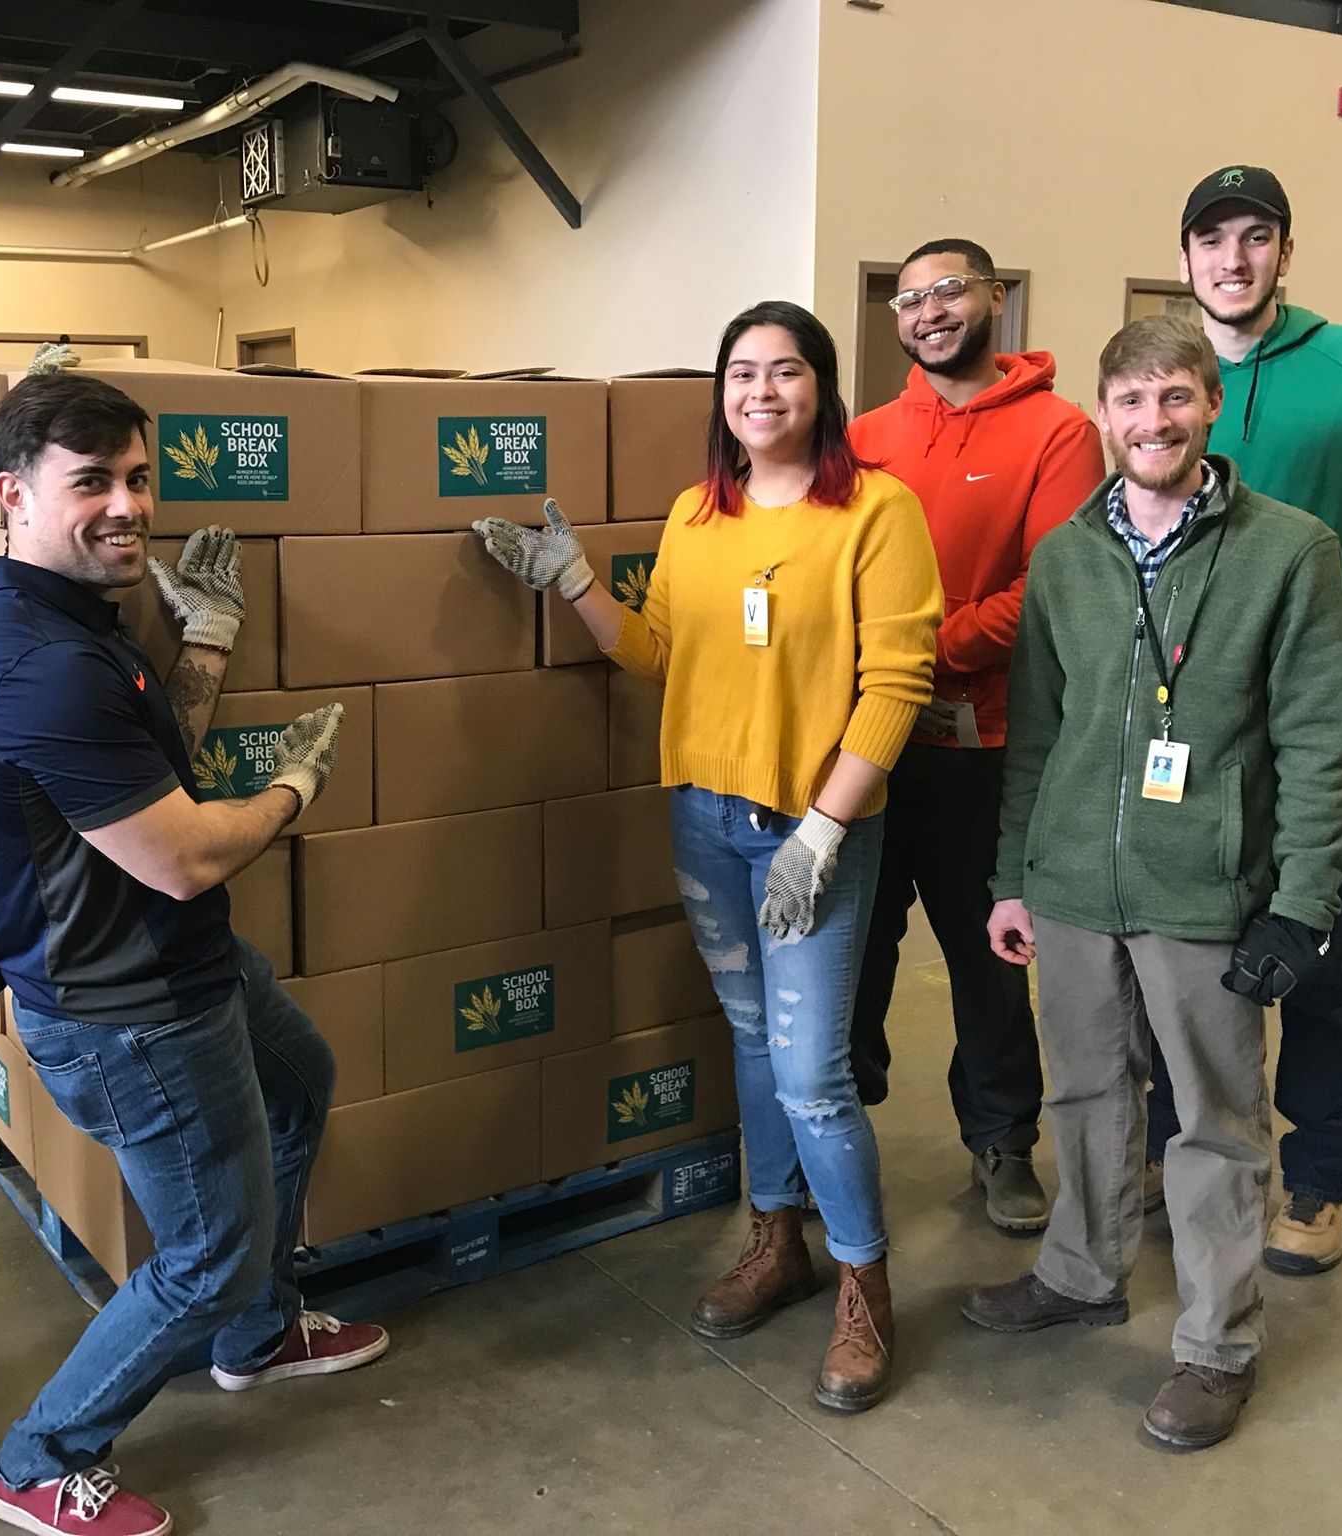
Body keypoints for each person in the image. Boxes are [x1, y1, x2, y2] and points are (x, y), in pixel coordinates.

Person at [474, 300, 942, 1413]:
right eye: (741, 374)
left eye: (785, 372)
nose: (761, 393)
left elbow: (897, 685)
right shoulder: (697, 512)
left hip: (811, 828)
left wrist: (824, 827)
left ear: (821, 389)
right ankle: (773, 1241)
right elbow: (662, 653)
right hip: (704, 819)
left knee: (814, 1073)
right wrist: (575, 580)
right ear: (720, 396)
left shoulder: (874, 512)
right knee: (748, 1042)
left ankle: (864, 1289)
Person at [0, 368, 387, 1536]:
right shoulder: (39, 666)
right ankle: (42, 1457)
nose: (128, 506)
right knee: (207, 1252)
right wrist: (297, 785)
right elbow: (182, 853)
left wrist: (208, 642)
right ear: (13, 494)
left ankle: (255, 1333)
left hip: (177, 965)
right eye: (90, 483)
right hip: (129, 1010)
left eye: (138, 479)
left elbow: (145, 773)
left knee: (301, 1084)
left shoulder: (69, 625)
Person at [964, 316, 1342, 1450]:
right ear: (1103, 414)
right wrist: (1012, 879)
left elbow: (1319, 740)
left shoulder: (1290, 551)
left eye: (1174, 397)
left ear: (1208, 408)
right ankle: (1081, 1272)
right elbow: (1034, 733)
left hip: (1205, 888)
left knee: (1213, 1124)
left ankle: (1215, 1344)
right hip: (1074, 886)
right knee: (1085, 1097)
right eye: (1130, 401)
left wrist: (1300, 900)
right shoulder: (1065, 557)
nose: (1152, 421)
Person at [1143, 166, 1342, 1277]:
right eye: (1209, 240)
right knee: (1173, 946)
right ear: (1182, 259)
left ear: (1282, 251)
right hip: (1186, 724)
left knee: (1318, 949)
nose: (1231, 259)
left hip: (1318, 722)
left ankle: (1318, 1172)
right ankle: (1162, 1141)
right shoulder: (1164, 381)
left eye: (1253, 237)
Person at [847, 238, 1106, 1231]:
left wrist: (918, 653)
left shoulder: (1057, 431)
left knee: (985, 958)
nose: (928, 311)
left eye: (948, 290)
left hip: (986, 750)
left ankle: (1001, 1143)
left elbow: (1048, 589)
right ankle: (838, 1127)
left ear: (993, 298)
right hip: (866, 750)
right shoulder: (866, 435)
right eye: (909, 299)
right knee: (854, 954)